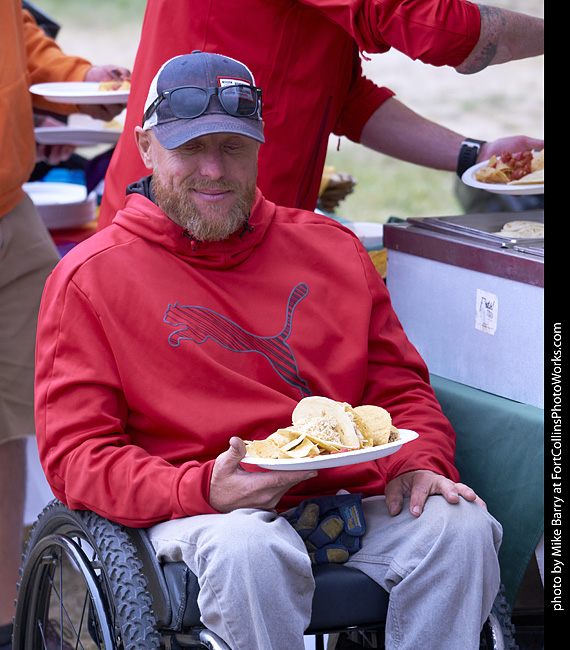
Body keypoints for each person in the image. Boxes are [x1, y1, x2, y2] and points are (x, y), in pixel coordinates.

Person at [35, 52, 502, 650]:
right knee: (249, 549)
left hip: (350, 500)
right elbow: (77, 456)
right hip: (200, 513)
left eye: (232, 146)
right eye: (189, 148)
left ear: (259, 147)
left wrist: (419, 461)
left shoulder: (333, 249)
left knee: (461, 529)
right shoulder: (90, 279)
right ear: (146, 148)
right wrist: (202, 489)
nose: (213, 170)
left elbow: (399, 389)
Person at [98, 0, 544, 228]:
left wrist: (474, 155)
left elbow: (343, 98)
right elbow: (439, 28)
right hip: (189, 218)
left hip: (240, 222)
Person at [0, 4, 130, 649]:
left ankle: (4, 618)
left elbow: (18, 38)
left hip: (8, 206)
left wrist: (79, 78)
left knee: (10, 424)